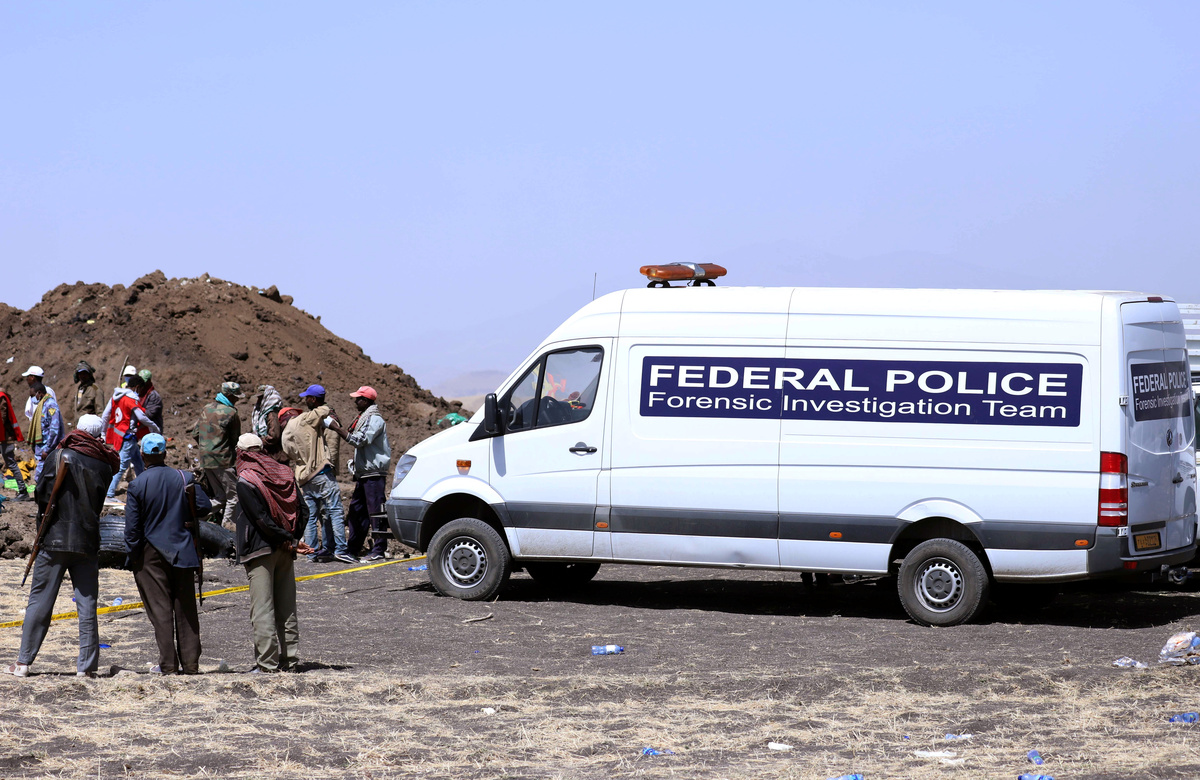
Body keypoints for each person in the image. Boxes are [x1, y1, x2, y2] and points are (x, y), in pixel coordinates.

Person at [5, 415, 118, 678]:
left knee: (40, 600)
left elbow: (42, 495)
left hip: (54, 538)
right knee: (87, 605)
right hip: (87, 540)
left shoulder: (59, 456)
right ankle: (86, 669)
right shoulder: (105, 464)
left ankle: (23, 663)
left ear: (78, 430)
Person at [124, 433, 212, 675]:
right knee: (186, 609)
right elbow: (204, 507)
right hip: (183, 548)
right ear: (164, 454)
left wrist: (133, 556)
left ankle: (169, 666)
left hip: (150, 553)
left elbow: (132, 530)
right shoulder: (184, 478)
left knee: (160, 610)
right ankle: (191, 665)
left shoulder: (137, 485)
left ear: (142, 455)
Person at [233, 433, 311, 673]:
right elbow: (303, 510)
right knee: (287, 608)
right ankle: (290, 661)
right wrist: (292, 539)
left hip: (260, 551)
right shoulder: (284, 473)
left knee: (263, 609)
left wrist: (286, 540)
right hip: (285, 551)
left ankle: (267, 664)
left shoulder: (246, 479)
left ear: (241, 453)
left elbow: (260, 520)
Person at [281, 385, 353, 564]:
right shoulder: (311, 417)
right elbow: (324, 410)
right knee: (335, 510)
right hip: (321, 471)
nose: (305, 400)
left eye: (306, 397)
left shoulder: (290, 426)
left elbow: (288, 450)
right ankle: (341, 550)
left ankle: (311, 552)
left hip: (304, 475)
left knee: (311, 517)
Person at [328, 386, 391, 561]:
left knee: (376, 512)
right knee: (357, 512)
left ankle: (379, 549)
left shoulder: (375, 420)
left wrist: (336, 428)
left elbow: (359, 440)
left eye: (358, 399)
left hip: (373, 474)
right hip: (364, 474)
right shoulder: (364, 418)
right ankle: (353, 548)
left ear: (366, 400)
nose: (356, 401)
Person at [100, 374, 162, 502]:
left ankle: (145, 487)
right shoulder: (130, 399)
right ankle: (109, 494)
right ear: (137, 387)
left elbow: (105, 415)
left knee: (139, 463)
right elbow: (141, 417)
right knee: (122, 465)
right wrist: (154, 427)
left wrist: (103, 432)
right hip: (128, 436)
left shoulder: (115, 397)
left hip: (121, 436)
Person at [191, 382, 243, 528]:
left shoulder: (206, 408)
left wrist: (206, 446)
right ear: (230, 396)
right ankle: (228, 528)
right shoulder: (231, 413)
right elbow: (235, 440)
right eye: (236, 397)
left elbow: (195, 433)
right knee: (234, 496)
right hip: (223, 460)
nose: (237, 400)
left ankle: (194, 517)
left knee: (221, 497)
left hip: (205, 459)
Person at [27, 378, 63, 483]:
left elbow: (54, 429)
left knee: (40, 478)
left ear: (39, 393)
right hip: (42, 449)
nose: (32, 398)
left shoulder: (50, 405)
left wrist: (47, 449)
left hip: (47, 449)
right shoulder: (42, 405)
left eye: (32, 396)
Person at [0, 384, 30, 500]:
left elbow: (2, 418)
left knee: (11, 464)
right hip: (4, 438)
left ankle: (23, 491)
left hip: (5, 438)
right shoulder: (4, 397)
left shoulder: (1, 398)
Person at [250, 385, 285, 459]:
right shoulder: (262, 414)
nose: (259, 400)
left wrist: (258, 442)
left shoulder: (272, 414)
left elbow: (274, 436)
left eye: (261, 397)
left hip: (275, 455)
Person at [72, 361, 101, 428]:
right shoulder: (80, 389)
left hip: (89, 427)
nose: (82, 376)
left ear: (89, 374)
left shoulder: (95, 389)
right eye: (80, 374)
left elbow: (100, 411)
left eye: (85, 373)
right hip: (79, 426)